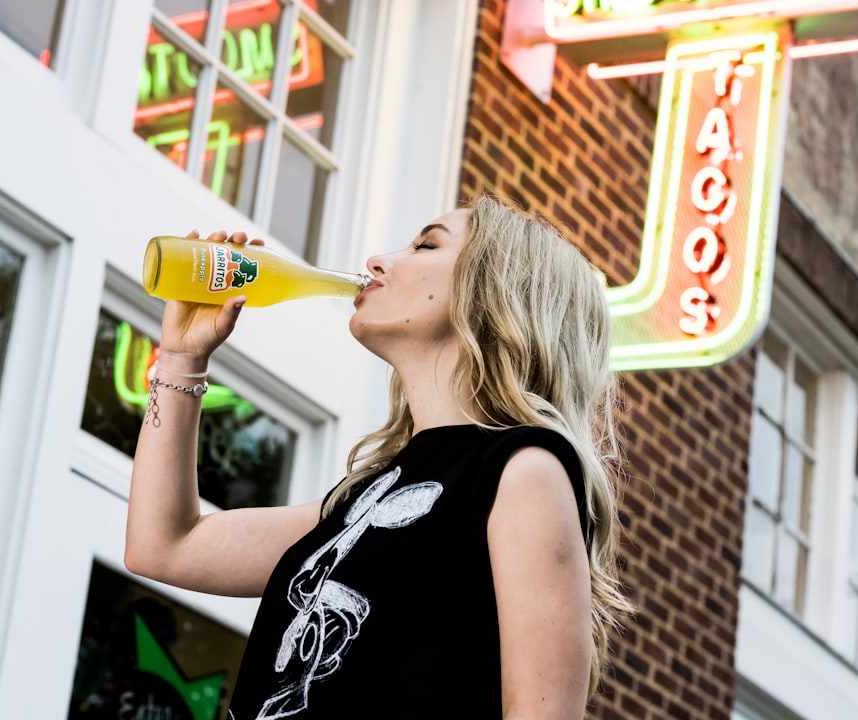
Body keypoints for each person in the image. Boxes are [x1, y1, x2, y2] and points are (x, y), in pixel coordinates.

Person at [125, 194, 631, 719]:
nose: (377, 261)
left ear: (497, 291)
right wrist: (182, 359)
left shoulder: (523, 471)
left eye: (426, 244)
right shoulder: (368, 496)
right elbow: (164, 546)